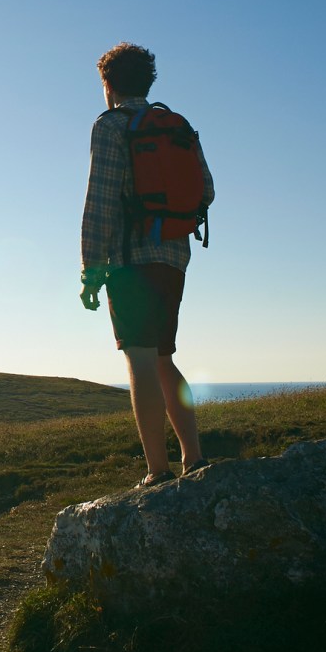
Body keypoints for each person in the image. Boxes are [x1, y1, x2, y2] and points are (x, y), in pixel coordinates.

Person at [79, 42, 214, 489]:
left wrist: (91, 269)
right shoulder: (177, 125)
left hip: (130, 259)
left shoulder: (111, 125)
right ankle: (193, 458)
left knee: (139, 360)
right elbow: (206, 191)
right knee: (162, 357)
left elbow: (99, 200)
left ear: (108, 84)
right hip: (175, 257)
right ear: (149, 81)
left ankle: (157, 471)